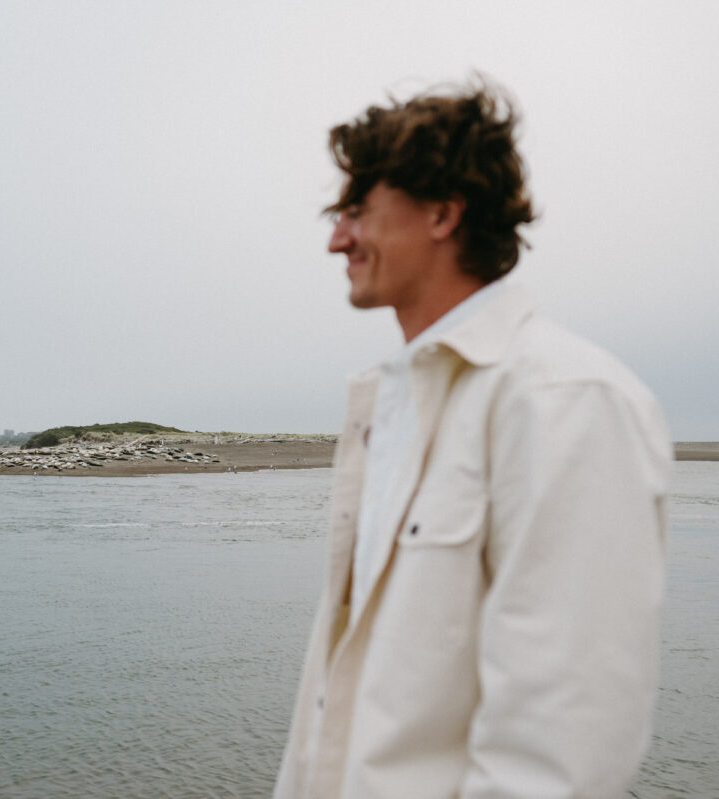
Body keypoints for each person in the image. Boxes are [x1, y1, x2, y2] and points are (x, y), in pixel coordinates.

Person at [275, 81, 671, 798]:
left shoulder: (566, 402)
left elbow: (564, 751)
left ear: (442, 212)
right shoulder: (387, 408)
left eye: (357, 209)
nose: (336, 238)